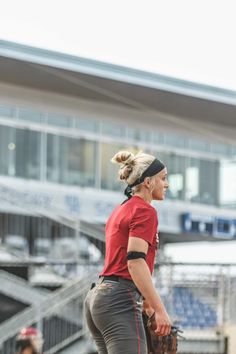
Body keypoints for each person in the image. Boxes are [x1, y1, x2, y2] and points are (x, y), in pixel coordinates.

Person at [84, 150, 171, 354]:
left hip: (99, 296)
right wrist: (160, 309)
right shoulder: (145, 210)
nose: (166, 184)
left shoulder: (122, 208)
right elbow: (134, 262)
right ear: (148, 182)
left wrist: (148, 304)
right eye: (163, 178)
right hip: (119, 297)